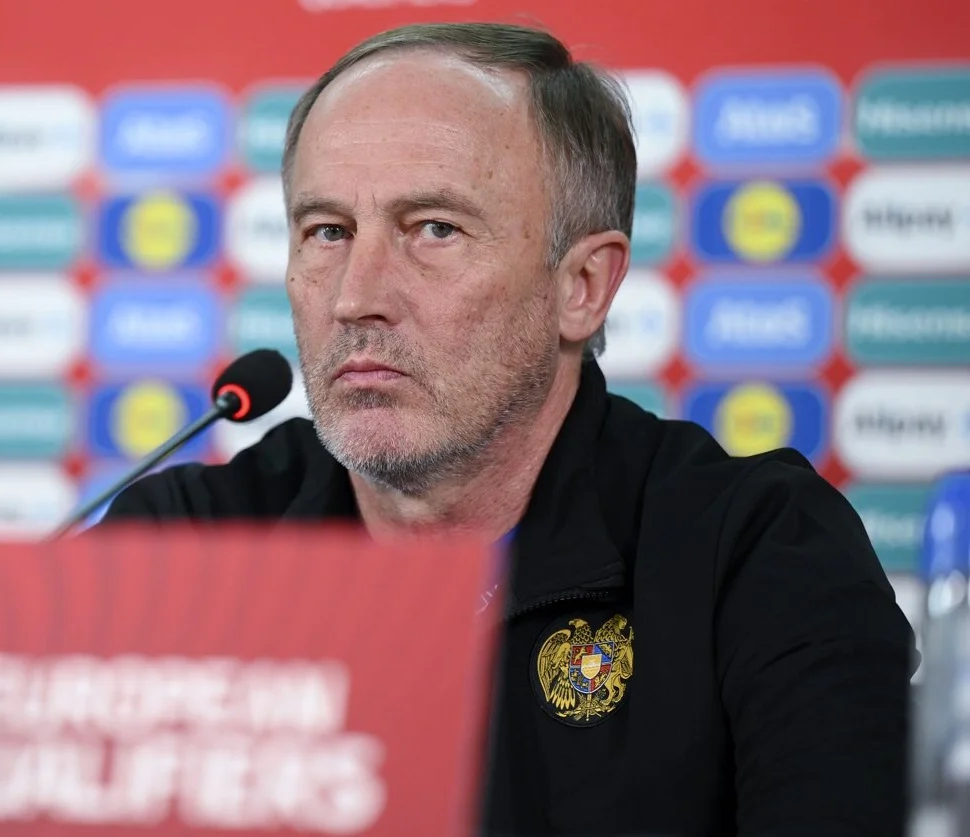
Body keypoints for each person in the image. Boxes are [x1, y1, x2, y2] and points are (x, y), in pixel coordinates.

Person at [97, 21, 916, 837]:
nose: (355, 297)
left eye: (434, 229)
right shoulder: (181, 548)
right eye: (328, 232)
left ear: (582, 285)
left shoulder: (758, 555)